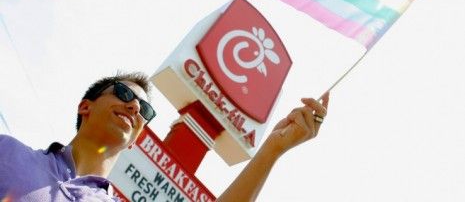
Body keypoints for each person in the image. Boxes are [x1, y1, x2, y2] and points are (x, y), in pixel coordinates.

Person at [0, 72, 329, 201]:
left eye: (144, 109)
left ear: (137, 137)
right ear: (85, 106)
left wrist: (272, 150)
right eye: (123, 95)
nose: (134, 109)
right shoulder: (8, 152)